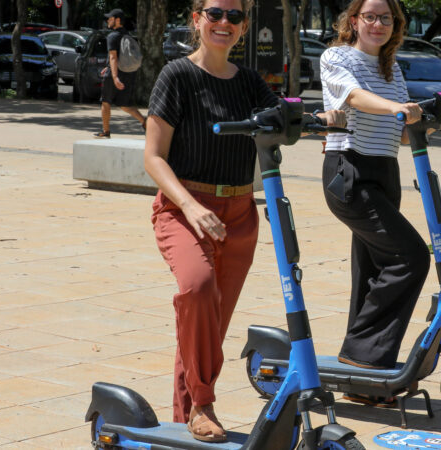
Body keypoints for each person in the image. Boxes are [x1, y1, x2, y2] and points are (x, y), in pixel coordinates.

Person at [144, 0, 344, 442]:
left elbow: (284, 118)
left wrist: (323, 118)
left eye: (234, 17)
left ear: (245, 26)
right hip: (184, 207)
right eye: (215, 13)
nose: (224, 23)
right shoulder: (177, 76)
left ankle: (185, 418)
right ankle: (203, 403)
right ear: (196, 18)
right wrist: (190, 206)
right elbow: (154, 157)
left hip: (239, 214)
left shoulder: (250, 82)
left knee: (209, 324)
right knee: (197, 290)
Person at [320, 0, 441, 407]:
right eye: (370, 16)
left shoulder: (391, 68)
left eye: (386, 18)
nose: (378, 24)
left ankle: (363, 378)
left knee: (373, 270)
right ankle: (362, 356)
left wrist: (434, 116)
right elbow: (354, 97)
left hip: (385, 171)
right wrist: (398, 107)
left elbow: (400, 133)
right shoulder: (337, 57)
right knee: (410, 257)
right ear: (354, 21)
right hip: (349, 171)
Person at [94, 8, 146, 138]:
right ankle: (145, 122)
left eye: (110, 19)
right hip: (128, 72)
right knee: (124, 104)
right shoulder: (127, 34)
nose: (108, 21)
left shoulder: (112, 36)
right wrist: (108, 67)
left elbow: (113, 57)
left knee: (105, 101)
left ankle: (106, 132)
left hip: (115, 73)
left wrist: (115, 76)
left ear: (117, 20)